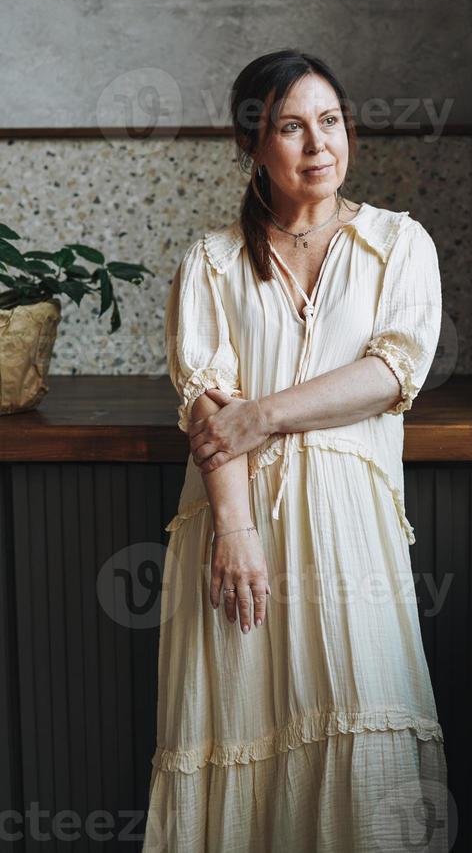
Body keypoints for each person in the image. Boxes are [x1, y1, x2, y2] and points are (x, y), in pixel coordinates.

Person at [142, 49, 448, 852]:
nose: (319, 145)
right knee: (238, 742)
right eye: (291, 126)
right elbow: (210, 410)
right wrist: (234, 533)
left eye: (330, 121)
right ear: (253, 145)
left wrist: (263, 414)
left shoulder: (398, 244)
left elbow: (392, 372)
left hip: (351, 535)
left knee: (366, 747)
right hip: (234, 533)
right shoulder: (210, 261)